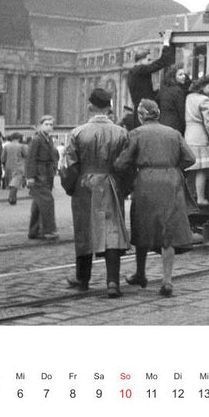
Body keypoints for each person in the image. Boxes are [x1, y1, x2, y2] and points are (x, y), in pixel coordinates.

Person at [115, 99, 197, 297]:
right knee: (168, 230)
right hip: (171, 181)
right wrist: (174, 168)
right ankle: (167, 281)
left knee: (143, 225)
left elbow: (122, 163)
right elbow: (190, 158)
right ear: (158, 114)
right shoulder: (173, 133)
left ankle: (140, 273)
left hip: (146, 181)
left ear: (141, 116)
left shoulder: (136, 134)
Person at [63, 88, 131, 296]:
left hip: (85, 185)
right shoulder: (121, 132)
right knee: (112, 231)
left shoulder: (78, 132)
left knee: (84, 232)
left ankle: (82, 279)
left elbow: (70, 165)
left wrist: (70, 186)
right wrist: (124, 188)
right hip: (110, 183)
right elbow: (127, 165)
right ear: (110, 107)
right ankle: (113, 282)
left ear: (90, 106)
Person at [127, 30, 174, 127]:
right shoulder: (140, 70)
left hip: (139, 110)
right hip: (146, 111)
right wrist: (166, 42)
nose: (150, 63)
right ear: (140, 60)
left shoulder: (133, 72)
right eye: (148, 60)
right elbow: (162, 62)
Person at [184, 74, 209, 207]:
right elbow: (208, 123)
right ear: (203, 87)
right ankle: (201, 198)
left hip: (189, 134)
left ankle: (188, 197)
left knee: (191, 168)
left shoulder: (189, 97)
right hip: (200, 136)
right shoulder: (205, 100)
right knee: (203, 169)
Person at [26, 116, 60, 240]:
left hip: (47, 174)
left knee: (38, 203)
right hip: (39, 174)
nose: (49, 126)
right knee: (47, 201)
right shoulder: (36, 139)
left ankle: (33, 231)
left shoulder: (49, 139)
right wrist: (30, 177)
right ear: (40, 125)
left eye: (51, 124)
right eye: (46, 124)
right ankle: (49, 230)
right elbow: (30, 158)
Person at [157, 66, 190, 135]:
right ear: (173, 76)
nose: (184, 76)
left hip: (162, 123)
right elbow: (181, 111)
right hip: (175, 125)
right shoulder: (178, 91)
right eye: (180, 74)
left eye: (184, 74)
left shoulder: (163, 89)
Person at [2, 132, 28, 205]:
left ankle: (14, 199)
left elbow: (2, 158)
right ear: (19, 138)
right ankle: (11, 197)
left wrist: (4, 164)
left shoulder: (6, 146)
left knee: (12, 183)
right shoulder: (22, 146)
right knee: (15, 183)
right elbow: (27, 155)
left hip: (8, 167)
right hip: (19, 166)